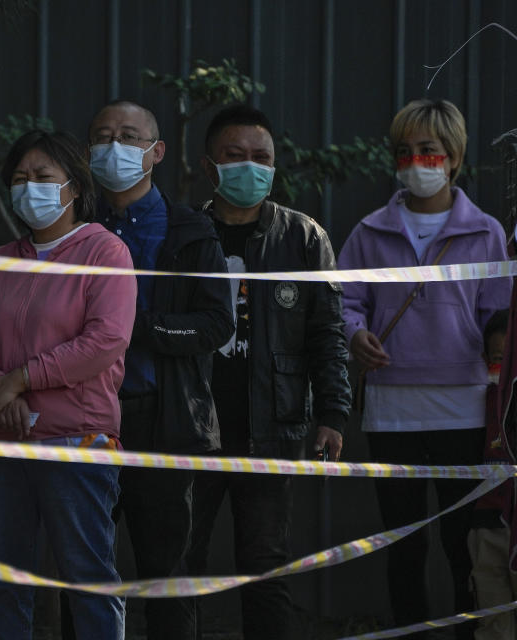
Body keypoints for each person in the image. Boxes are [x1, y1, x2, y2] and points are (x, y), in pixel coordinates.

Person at [0, 129, 137, 640]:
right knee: (0, 583)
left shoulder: (106, 252)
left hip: (74, 442)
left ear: (74, 187)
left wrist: (20, 380)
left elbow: (106, 339)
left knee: (88, 580)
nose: (28, 187)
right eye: (19, 178)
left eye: (42, 177)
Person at [339, 98, 510, 639]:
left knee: (465, 542)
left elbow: (500, 317)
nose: (416, 162)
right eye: (405, 152)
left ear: (454, 157)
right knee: (401, 545)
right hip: (391, 408)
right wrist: (354, 334)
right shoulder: (368, 232)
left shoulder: (486, 233)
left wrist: (497, 341)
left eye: (429, 151)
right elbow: (343, 300)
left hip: (465, 406)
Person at [186, 104, 351, 640]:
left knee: (265, 568)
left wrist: (333, 413)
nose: (249, 167)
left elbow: (328, 334)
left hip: (272, 433)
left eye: (262, 157)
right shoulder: (184, 234)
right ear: (210, 165)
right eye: (235, 157)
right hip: (189, 427)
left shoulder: (303, 238)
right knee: (178, 565)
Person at [84, 100, 234, 639]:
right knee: (84, 578)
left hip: (163, 423)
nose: (114, 148)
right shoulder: (74, 228)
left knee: (166, 578)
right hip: (83, 423)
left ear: (156, 152)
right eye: (103, 137)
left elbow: (217, 325)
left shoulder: (190, 232)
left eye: (129, 136)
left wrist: (135, 326)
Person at [471, 310, 515, 640]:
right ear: (485, 358)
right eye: (498, 361)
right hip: (487, 522)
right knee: (494, 626)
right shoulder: (478, 401)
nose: (502, 375)